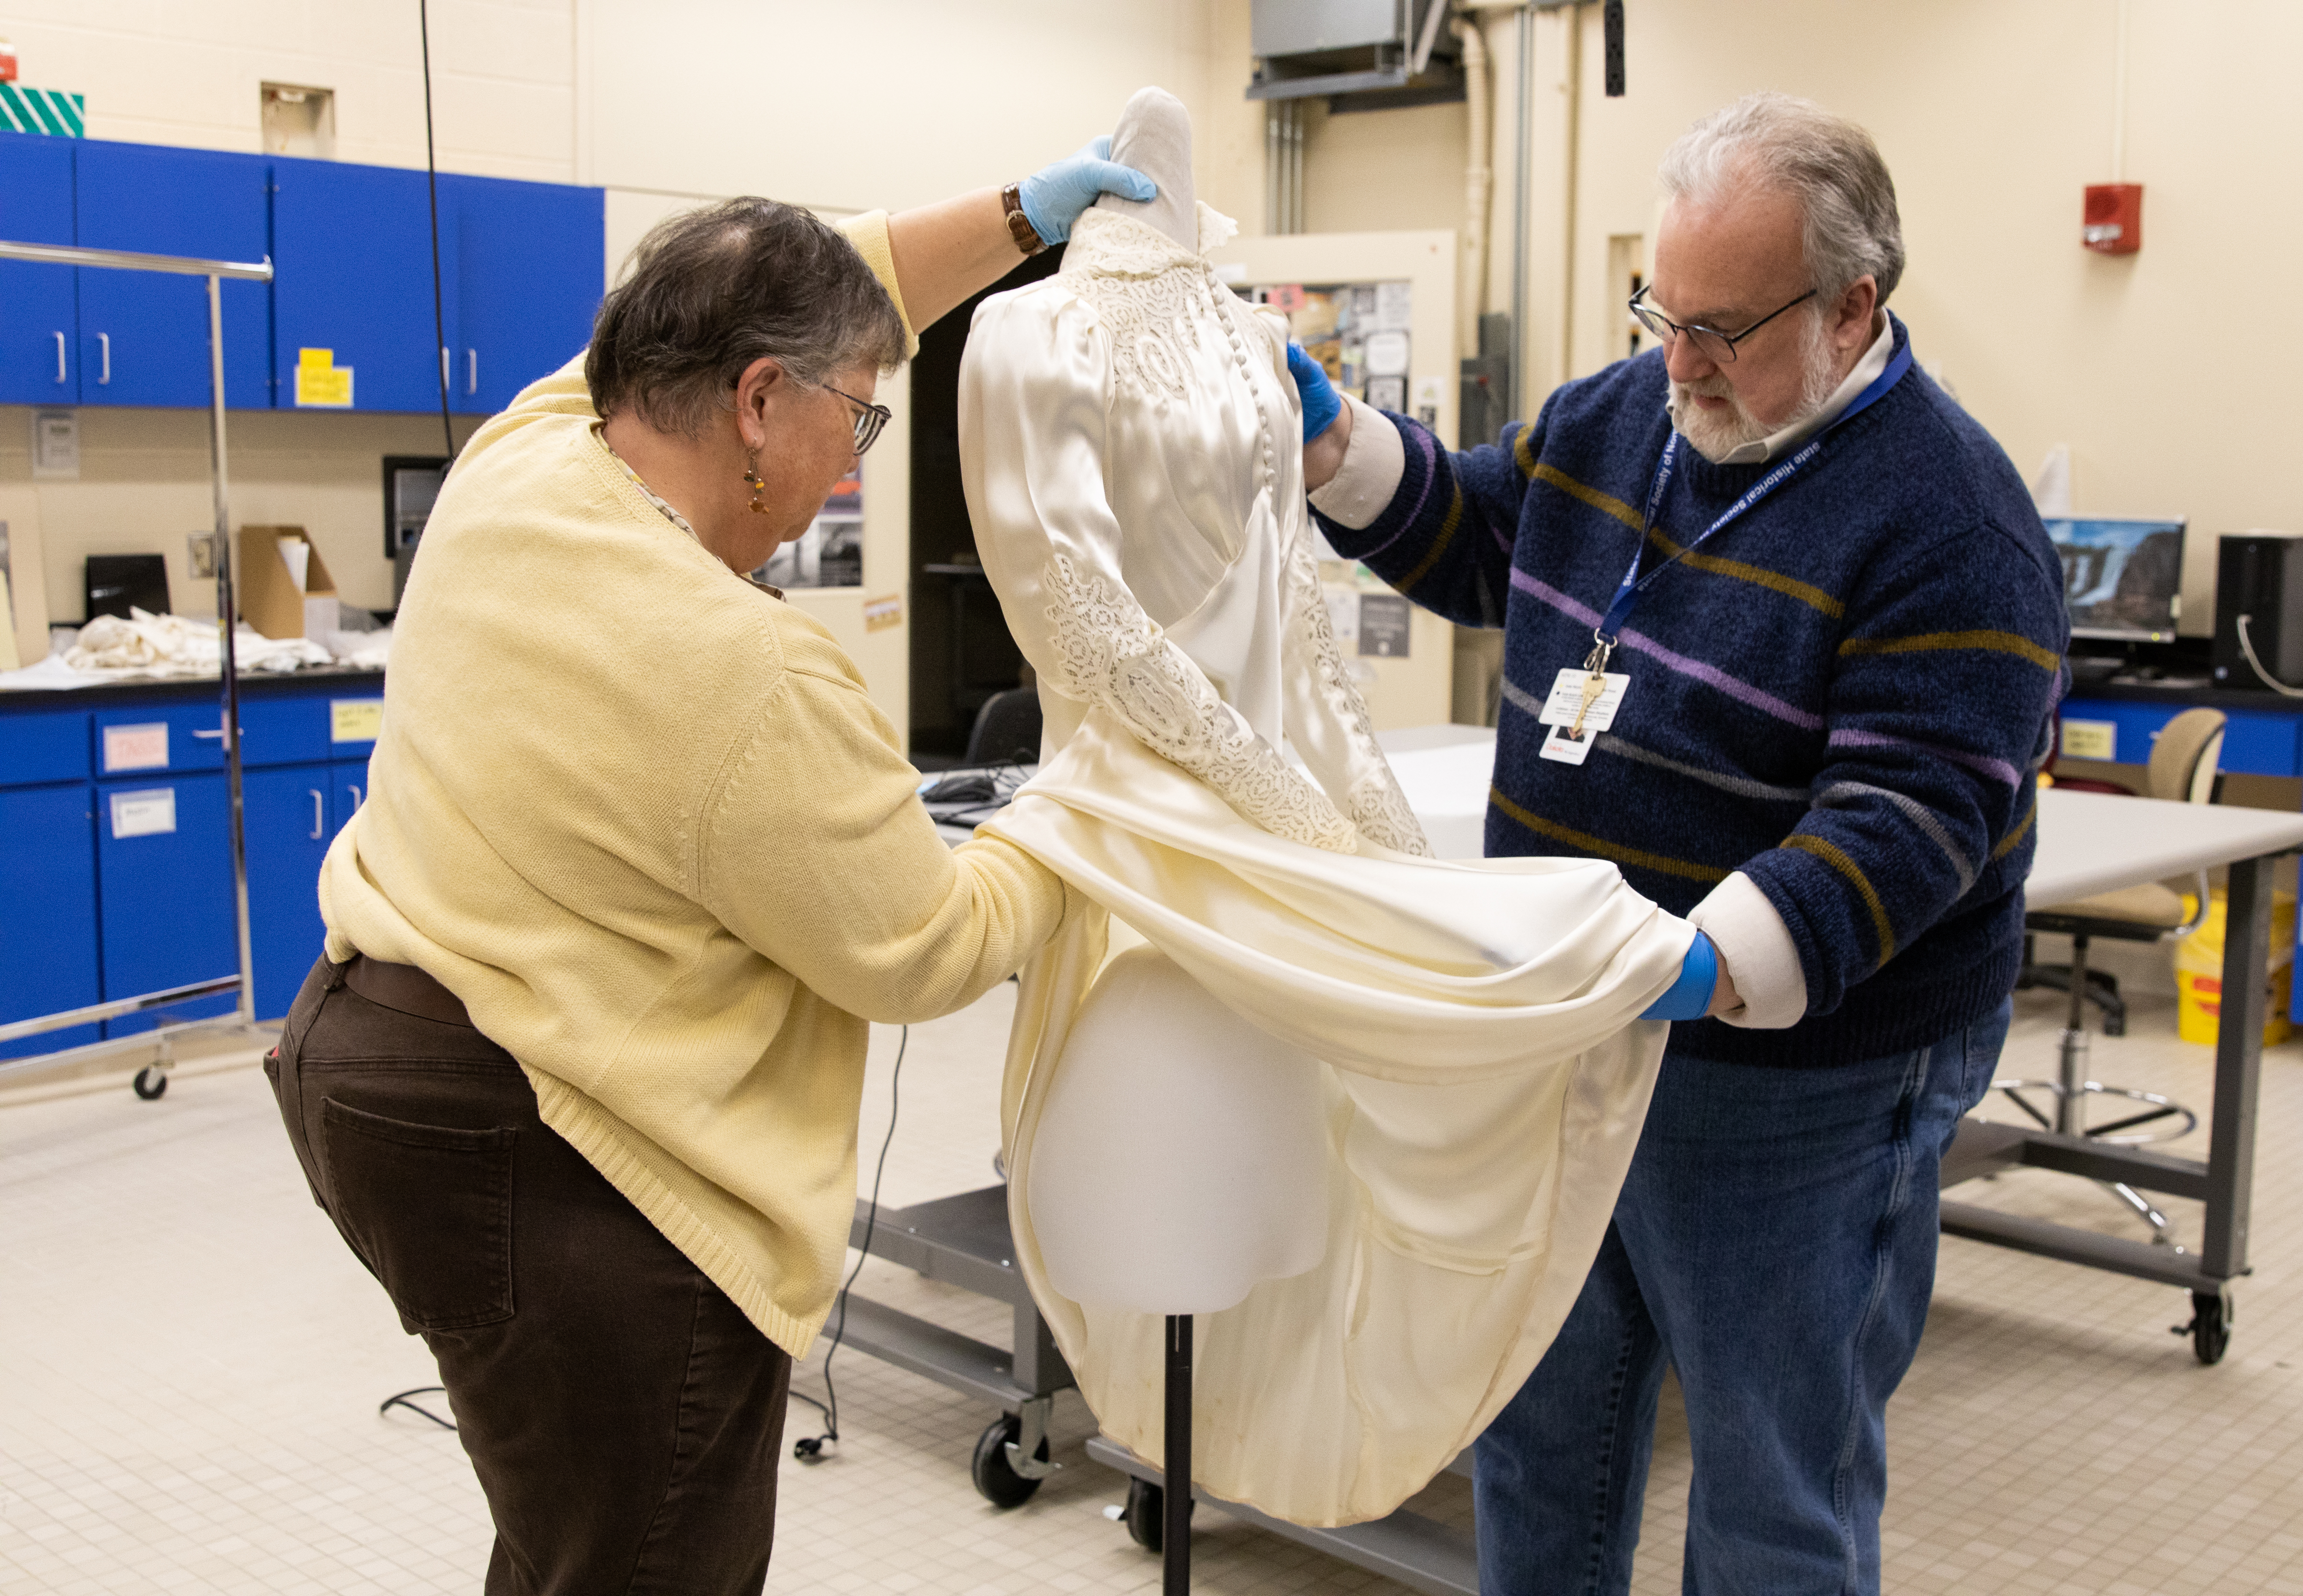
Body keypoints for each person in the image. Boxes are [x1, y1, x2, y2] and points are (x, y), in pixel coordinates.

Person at [264, 144, 1152, 1595]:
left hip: (370, 1071)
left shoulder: (532, 454)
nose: (852, 457)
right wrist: (1084, 817)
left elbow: (813, 285)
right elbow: (923, 946)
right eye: (858, 419)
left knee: (570, 1525)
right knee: (650, 1548)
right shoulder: (744, 672)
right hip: (553, 1155)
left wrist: (1013, 220)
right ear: (757, 401)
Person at [1292, 93, 2067, 1593]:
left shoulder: (1950, 522)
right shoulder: (1625, 414)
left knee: (1774, 1485)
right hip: (1581, 1040)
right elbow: (1484, 535)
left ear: (1855, 306)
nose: (1679, 361)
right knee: (1537, 1432)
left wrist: (1704, 960)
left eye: (1725, 329)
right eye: (1662, 309)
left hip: (1802, 1085)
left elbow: (1914, 819)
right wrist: (1338, 447)